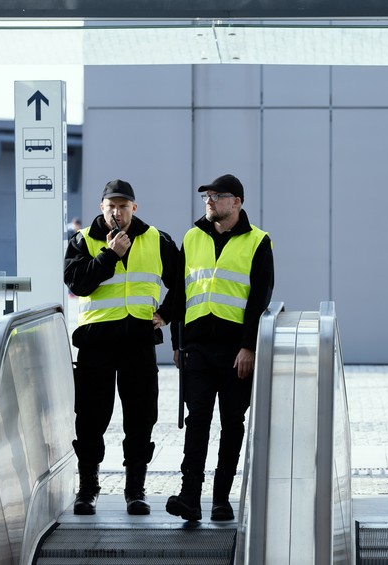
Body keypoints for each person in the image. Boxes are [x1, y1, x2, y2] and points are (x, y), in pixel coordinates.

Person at [63, 180, 182, 516]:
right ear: (102, 207)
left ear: (134, 207)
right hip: (96, 344)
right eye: (111, 206)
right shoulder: (83, 240)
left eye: (123, 206)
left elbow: (183, 283)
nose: (117, 212)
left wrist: (166, 313)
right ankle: (88, 489)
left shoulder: (157, 240)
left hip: (138, 344)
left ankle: (135, 489)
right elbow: (78, 283)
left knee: (141, 419)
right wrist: (109, 254)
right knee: (90, 419)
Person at [166, 174, 274, 522]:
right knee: (197, 420)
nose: (210, 201)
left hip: (234, 352)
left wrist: (249, 347)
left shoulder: (258, 241)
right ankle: (189, 498)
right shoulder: (192, 236)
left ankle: (221, 499)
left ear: (236, 202)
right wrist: (175, 341)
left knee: (232, 423)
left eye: (218, 196)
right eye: (207, 196)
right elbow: (182, 293)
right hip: (197, 347)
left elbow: (259, 298)